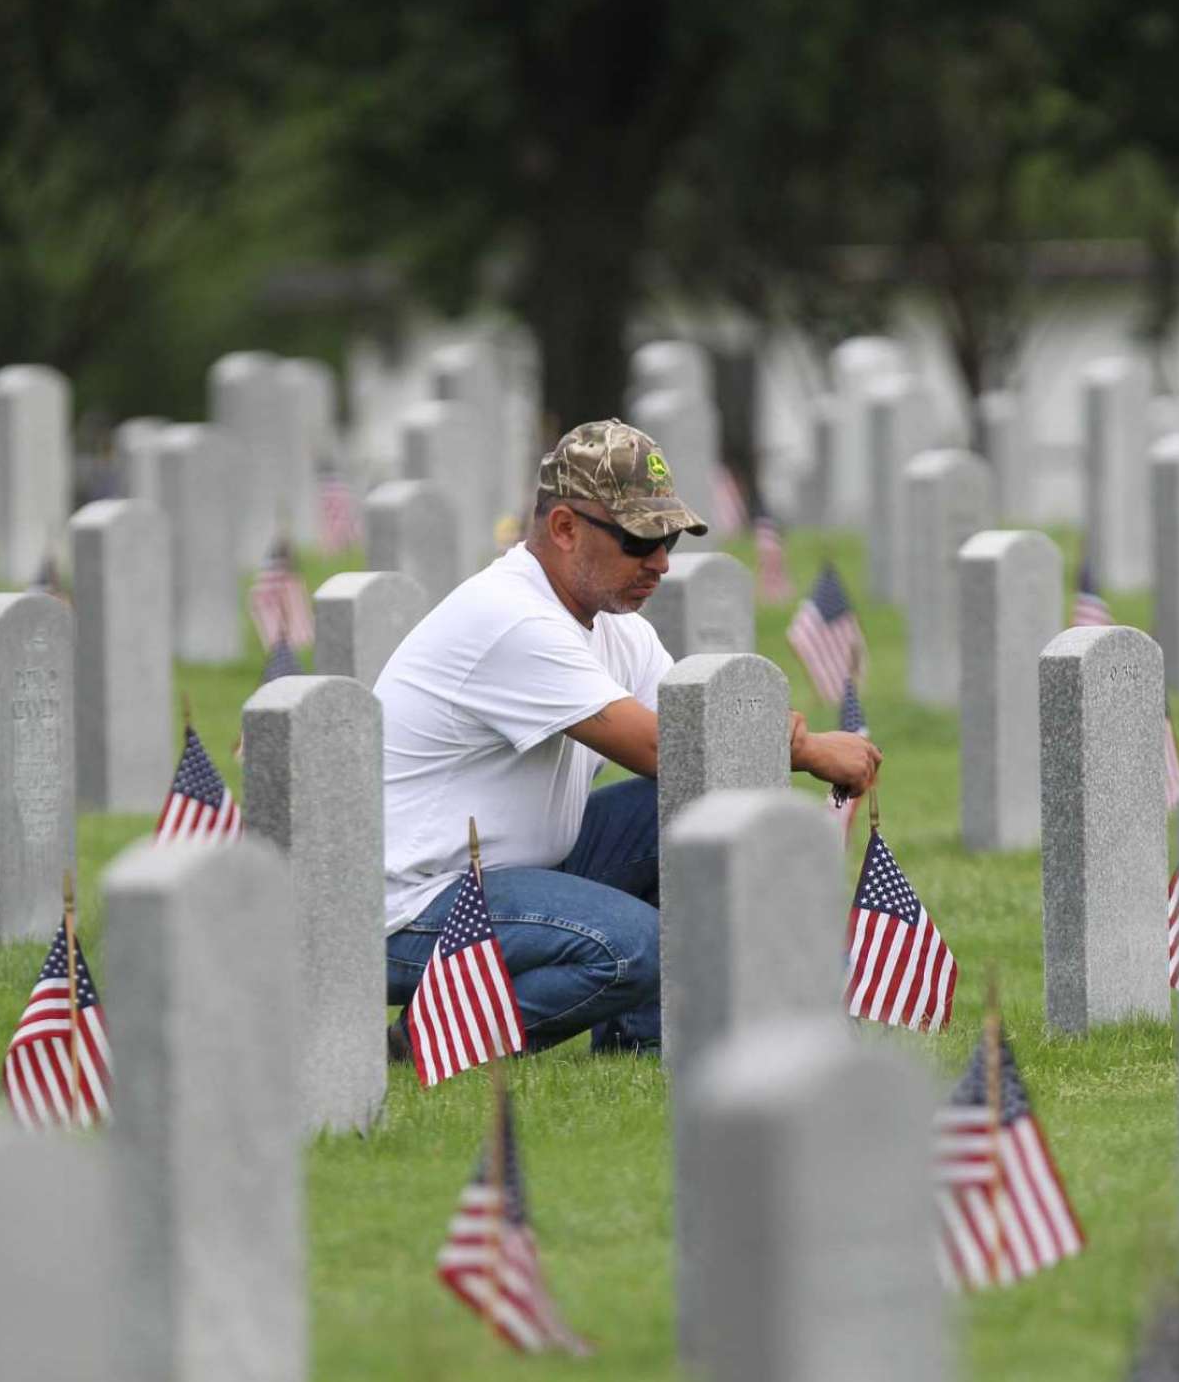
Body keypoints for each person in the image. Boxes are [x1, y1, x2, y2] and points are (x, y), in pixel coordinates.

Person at [377, 418, 883, 1055]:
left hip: (512, 868)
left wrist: (763, 745)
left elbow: (702, 754)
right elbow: (665, 747)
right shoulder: (511, 618)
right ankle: (421, 1043)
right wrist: (805, 749)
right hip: (415, 905)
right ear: (564, 529)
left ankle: (642, 1045)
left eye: (669, 537)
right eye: (641, 539)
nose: (662, 563)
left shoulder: (615, 623)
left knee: (708, 812)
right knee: (636, 946)